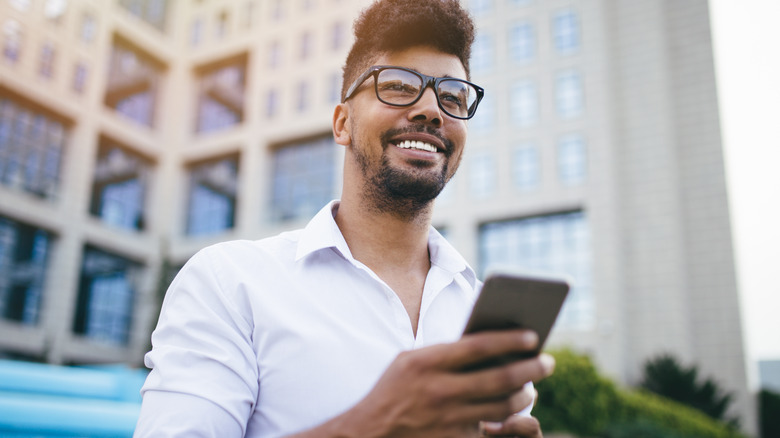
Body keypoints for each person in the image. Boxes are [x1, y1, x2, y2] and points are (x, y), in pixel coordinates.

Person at [134, 0, 555, 436]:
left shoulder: (481, 311)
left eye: (452, 97)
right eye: (397, 86)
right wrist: (375, 423)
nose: (432, 109)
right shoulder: (228, 283)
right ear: (342, 123)